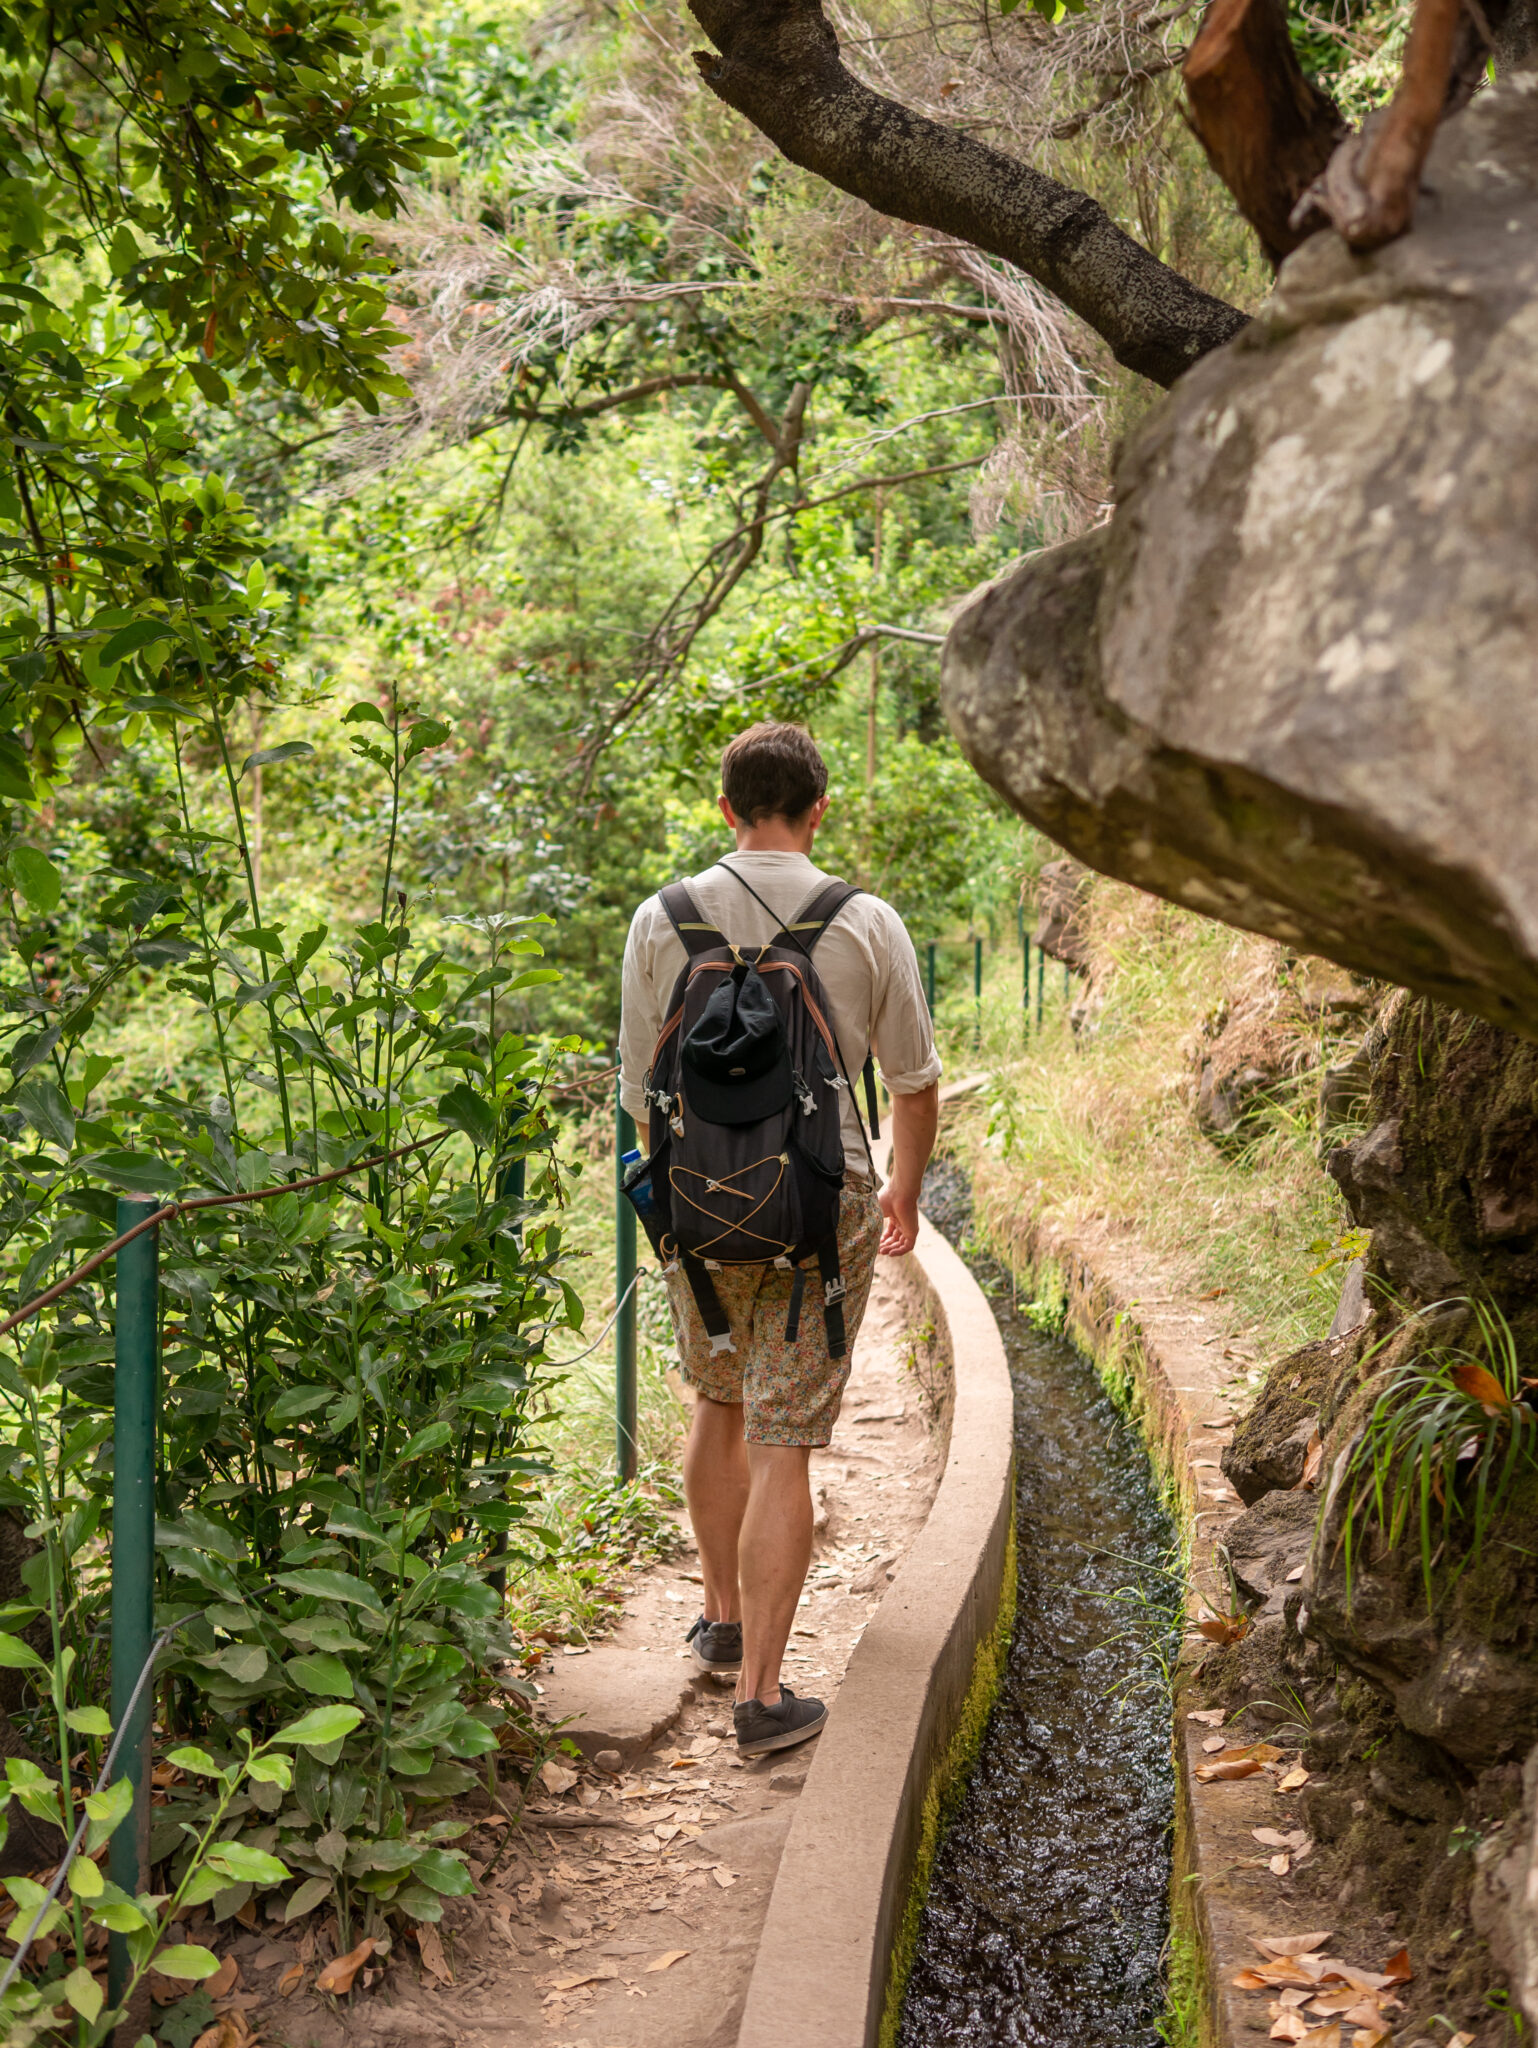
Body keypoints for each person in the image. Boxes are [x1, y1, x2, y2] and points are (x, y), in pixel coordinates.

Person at [619, 721, 941, 1757]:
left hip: (693, 1209)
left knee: (715, 1398)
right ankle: (760, 1693)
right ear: (819, 806)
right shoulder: (865, 920)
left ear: (724, 807)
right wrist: (902, 1187)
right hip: (820, 1204)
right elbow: (912, 1080)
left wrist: (685, 1200)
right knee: (783, 1437)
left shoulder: (659, 917)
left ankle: (720, 1614)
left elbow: (636, 1090)